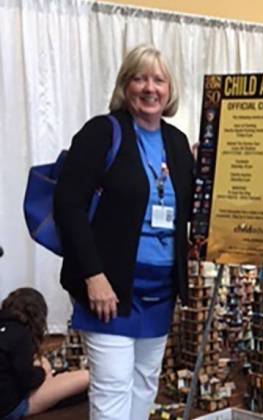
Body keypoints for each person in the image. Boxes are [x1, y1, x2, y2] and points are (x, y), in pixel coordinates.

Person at [54, 45, 194, 419]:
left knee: (145, 384)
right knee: (113, 388)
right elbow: (68, 206)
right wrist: (93, 277)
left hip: (160, 293)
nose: (150, 88)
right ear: (125, 85)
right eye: (140, 78)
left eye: (159, 80)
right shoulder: (102, 132)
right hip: (109, 291)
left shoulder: (178, 144)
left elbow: (192, 209)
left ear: (170, 90)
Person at [0, 288, 89, 420]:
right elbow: (28, 380)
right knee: (87, 376)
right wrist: (43, 371)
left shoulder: (6, 328)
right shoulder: (20, 334)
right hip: (8, 409)